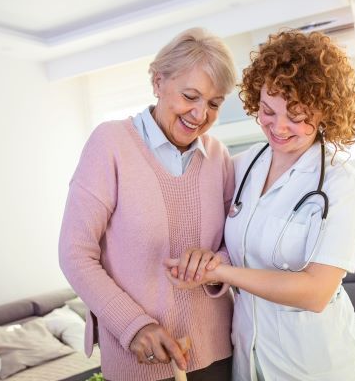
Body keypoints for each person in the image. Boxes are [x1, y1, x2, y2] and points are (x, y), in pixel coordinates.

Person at [165, 30, 355, 380]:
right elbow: (235, 247)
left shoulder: (340, 183)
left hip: (317, 366)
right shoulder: (242, 166)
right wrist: (209, 262)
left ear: (325, 113)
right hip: (251, 361)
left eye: (296, 116)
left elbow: (316, 292)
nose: (278, 127)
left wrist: (221, 273)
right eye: (267, 110)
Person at [59, 28, 237, 381]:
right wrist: (135, 327)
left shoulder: (218, 156)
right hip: (139, 363)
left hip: (218, 352)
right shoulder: (110, 143)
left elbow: (235, 244)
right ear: (158, 82)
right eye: (191, 96)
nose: (201, 114)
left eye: (214, 103)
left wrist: (216, 263)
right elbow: (75, 253)